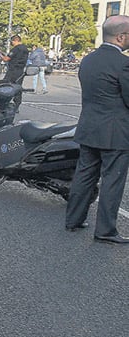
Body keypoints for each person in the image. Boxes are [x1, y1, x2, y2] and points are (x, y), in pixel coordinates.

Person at [64, 15, 129, 244]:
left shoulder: (89, 60)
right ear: (121, 37)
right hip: (116, 134)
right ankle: (106, 230)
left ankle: (73, 220)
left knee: (84, 176)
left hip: (89, 129)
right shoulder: (123, 64)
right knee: (112, 181)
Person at [0, 35, 29, 113]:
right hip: (20, 71)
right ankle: (16, 106)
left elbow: (7, 59)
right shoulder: (26, 49)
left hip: (12, 70)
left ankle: (3, 104)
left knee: (5, 85)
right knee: (18, 88)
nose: (12, 43)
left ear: (15, 41)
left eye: (12, 42)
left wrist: (0, 55)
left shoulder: (16, 49)